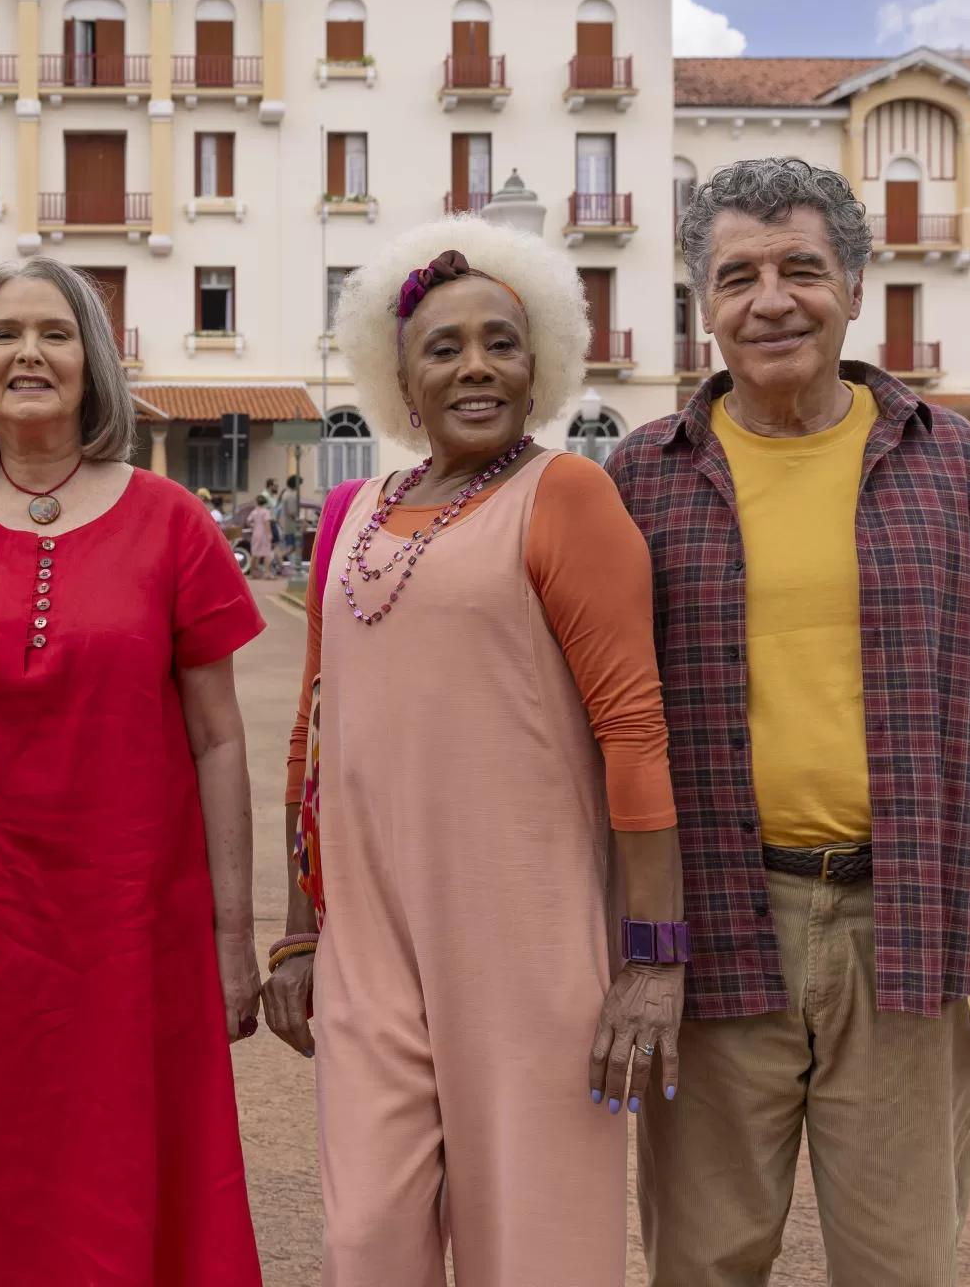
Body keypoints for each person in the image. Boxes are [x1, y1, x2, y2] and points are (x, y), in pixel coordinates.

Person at [609, 157, 970, 1286]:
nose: (770, 299)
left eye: (800, 268)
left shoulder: (946, 461)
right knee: (702, 1260)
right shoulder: (642, 478)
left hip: (901, 920)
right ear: (702, 305)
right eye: (736, 275)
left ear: (854, 286)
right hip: (713, 918)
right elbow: (594, 718)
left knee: (902, 1262)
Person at [260, 227, 685, 1285]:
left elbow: (633, 729)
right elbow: (312, 735)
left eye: (501, 342)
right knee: (368, 1243)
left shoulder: (568, 497)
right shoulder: (350, 514)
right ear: (398, 377)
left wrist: (650, 953)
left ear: (538, 363)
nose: (475, 365)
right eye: (443, 348)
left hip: (528, 947)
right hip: (368, 940)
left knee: (530, 1248)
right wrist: (298, 933)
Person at [0, 256, 267, 1286]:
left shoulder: (171, 520)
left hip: (137, 923)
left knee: (131, 1164)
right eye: (2, 333)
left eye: (55, 332)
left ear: (92, 362)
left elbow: (217, 737)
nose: (28, 351)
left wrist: (231, 937)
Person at [246, 488, 277, 576]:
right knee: (266, 553)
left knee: (254, 553)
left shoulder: (254, 512)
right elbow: (267, 523)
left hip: (256, 533)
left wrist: (253, 526)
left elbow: (248, 521)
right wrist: (269, 534)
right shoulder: (266, 512)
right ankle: (267, 572)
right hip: (264, 534)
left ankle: (252, 572)